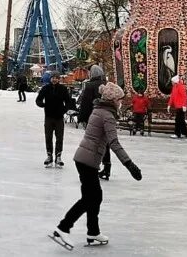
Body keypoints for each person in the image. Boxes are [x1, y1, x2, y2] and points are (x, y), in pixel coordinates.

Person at [50, 82, 142, 250]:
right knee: (89, 198)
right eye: (120, 99)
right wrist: (129, 164)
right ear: (113, 100)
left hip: (85, 158)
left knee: (95, 196)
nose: (121, 102)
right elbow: (114, 143)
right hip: (88, 160)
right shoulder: (107, 115)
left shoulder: (99, 110)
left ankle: (93, 231)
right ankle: (63, 228)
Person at [76, 65, 112, 179]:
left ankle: (93, 166)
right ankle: (107, 166)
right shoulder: (107, 85)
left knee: (93, 143)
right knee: (105, 143)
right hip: (106, 118)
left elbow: (85, 103)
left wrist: (81, 118)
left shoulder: (90, 85)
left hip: (94, 118)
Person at [36, 71, 72, 168]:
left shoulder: (63, 89)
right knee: (48, 137)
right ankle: (49, 156)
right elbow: (38, 99)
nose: (54, 79)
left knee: (59, 137)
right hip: (48, 117)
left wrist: (64, 110)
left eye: (56, 77)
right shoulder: (45, 88)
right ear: (50, 78)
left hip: (59, 117)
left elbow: (68, 101)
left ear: (59, 79)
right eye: (53, 77)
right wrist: (43, 105)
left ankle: (58, 156)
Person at [167, 75, 187, 139]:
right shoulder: (174, 87)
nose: (171, 83)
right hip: (178, 106)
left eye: (172, 81)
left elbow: (185, 97)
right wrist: (169, 105)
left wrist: (184, 105)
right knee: (181, 120)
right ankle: (184, 133)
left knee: (178, 120)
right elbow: (172, 97)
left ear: (175, 81)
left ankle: (177, 134)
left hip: (181, 106)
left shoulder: (181, 87)